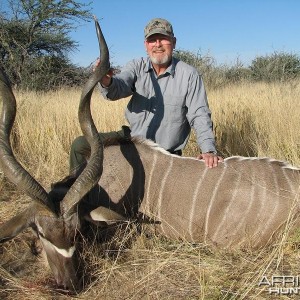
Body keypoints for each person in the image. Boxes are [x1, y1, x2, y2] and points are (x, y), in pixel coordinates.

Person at [69, 18, 223, 174]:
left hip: (165, 153)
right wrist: (107, 80)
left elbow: (199, 115)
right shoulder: (136, 67)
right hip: (133, 141)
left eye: (163, 38)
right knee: (80, 145)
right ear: (146, 45)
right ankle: (77, 195)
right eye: (152, 40)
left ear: (174, 42)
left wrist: (208, 150)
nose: (157, 44)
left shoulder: (189, 75)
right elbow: (118, 87)